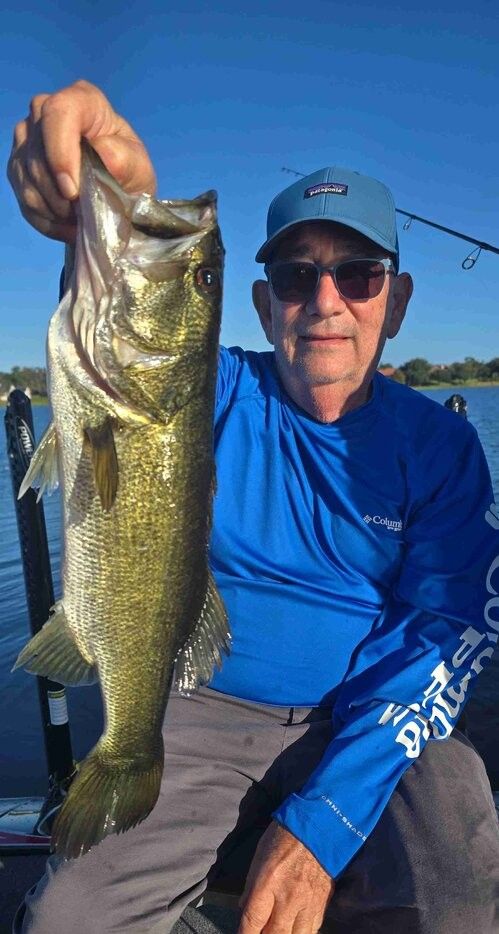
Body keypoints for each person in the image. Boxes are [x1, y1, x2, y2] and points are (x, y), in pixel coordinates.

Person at [7, 80, 499, 934]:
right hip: (197, 704)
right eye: (294, 273)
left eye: (358, 272)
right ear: (264, 300)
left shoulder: (442, 447)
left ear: (398, 298)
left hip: (369, 716)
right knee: (67, 917)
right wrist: (114, 196)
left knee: (455, 881)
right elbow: (131, 343)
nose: (326, 300)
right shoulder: (213, 390)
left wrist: (319, 827)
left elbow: (444, 631)